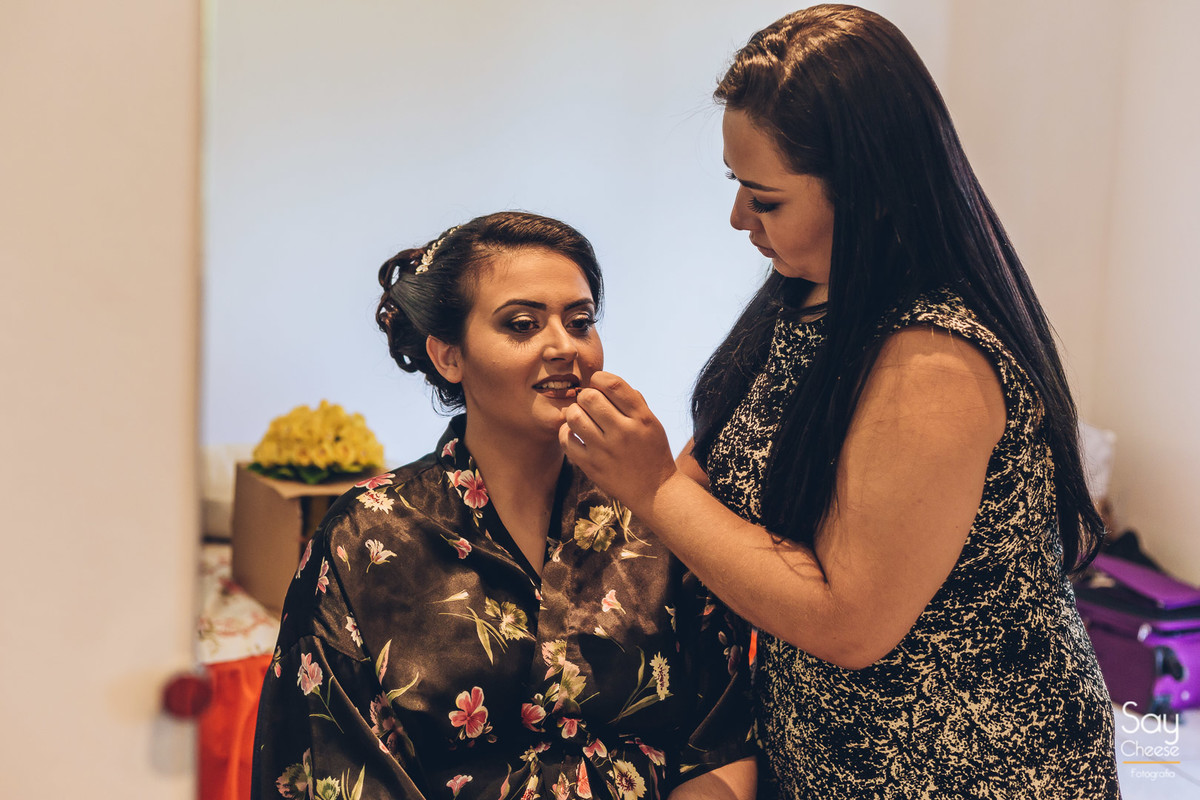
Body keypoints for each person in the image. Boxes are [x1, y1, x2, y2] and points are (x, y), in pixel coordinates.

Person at [558, 6, 1120, 798]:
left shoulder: (935, 359)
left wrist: (650, 486)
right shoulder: (807, 293)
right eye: (735, 185)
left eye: (765, 199)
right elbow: (712, 478)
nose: (738, 219)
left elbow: (850, 623)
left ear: (869, 192)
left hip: (969, 770)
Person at [250, 211, 757, 800]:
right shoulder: (366, 536)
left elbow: (721, 740)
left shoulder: (654, 517)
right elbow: (333, 763)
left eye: (580, 322)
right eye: (522, 324)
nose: (564, 346)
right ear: (448, 356)